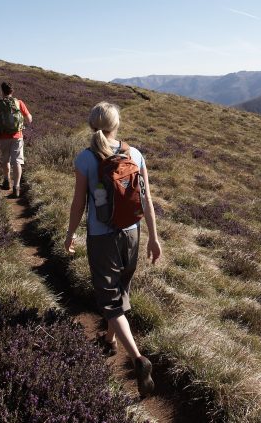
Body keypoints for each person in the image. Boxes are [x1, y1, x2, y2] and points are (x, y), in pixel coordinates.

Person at [64, 102, 162, 398]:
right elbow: (146, 202)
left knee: (109, 297)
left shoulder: (86, 158)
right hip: (132, 232)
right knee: (121, 290)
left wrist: (69, 234)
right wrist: (154, 238)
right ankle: (110, 341)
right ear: (117, 124)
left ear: (91, 125)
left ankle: (138, 359)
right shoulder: (135, 154)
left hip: (102, 236)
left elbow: (79, 203)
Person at [0, 82, 32, 198]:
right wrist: (22, 121)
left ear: (2, 91)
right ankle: (16, 186)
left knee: (5, 159)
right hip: (17, 136)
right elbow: (29, 119)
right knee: (17, 161)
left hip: (3, 137)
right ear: (12, 91)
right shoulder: (19, 103)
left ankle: (6, 181)